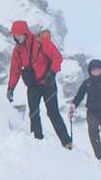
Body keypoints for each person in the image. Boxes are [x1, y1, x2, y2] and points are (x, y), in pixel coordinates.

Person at [6, 19, 70, 148]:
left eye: (19, 34)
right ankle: (38, 140)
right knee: (33, 112)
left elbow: (57, 57)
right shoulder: (17, 51)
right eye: (15, 35)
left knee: (53, 113)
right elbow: (15, 70)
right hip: (33, 86)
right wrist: (11, 88)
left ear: (25, 33)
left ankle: (66, 142)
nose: (17, 38)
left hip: (48, 84)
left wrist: (52, 73)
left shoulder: (41, 42)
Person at [69, 58, 101, 163]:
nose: (95, 71)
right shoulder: (87, 83)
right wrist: (73, 105)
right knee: (93, 133)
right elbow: (79, 95)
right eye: (93, 69)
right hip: (92, 113)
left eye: (97, 69)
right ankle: (100, 157)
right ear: (90, 71)